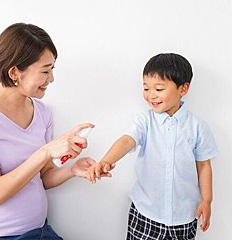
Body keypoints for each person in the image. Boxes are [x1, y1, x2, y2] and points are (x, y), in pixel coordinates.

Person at [0, 23, 113, 240]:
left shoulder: (42, 112)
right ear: (14, 72)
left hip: (38, 231)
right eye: (45, 71)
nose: (51, 79)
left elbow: (43, 177)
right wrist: (46, 152)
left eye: (52, 69)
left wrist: (72, 170)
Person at [87, 53, 219, 240]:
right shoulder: (145, 121)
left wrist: (207, 200)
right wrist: (106, 161)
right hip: (145, 213)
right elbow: (126, 140)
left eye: (158, 88)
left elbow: (204, 165)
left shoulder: (197, 127)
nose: (151, 95)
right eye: (146, 88)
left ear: (183, 89)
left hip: (183, 217)